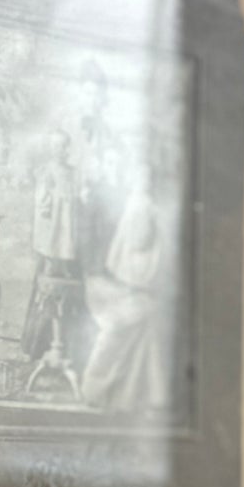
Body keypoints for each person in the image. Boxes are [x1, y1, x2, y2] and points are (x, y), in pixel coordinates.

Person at [80, 168, 174, 416]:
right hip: (131, 277)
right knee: (121, 332)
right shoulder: (141, 204)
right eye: (146, 178)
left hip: (138, 277)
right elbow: (139, 240)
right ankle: (95, 389)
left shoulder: (143, 202)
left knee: (144, 335)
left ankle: (134, 396)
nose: (150, 181)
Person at [18, 127, 90, 398]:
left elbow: (81, 204)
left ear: (67, 148)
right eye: (54, 146)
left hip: (71, 247)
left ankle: (72, 351)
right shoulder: (46, 173)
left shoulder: (74, 174)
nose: (59, 150)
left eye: (62, 145)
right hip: (51, 245)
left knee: (72, 297)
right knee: (48, 296)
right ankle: (40, 347)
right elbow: (43, 209)